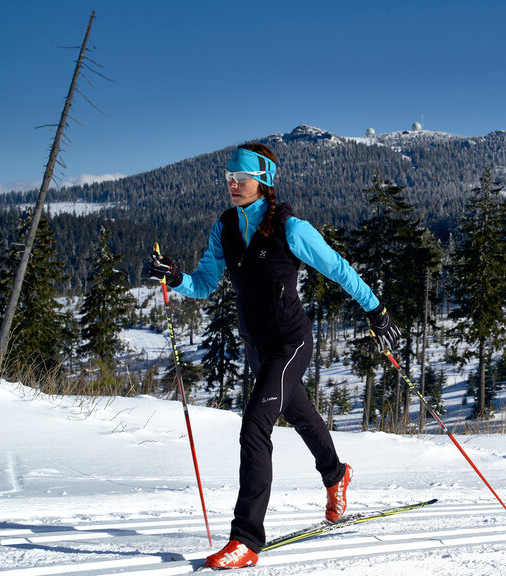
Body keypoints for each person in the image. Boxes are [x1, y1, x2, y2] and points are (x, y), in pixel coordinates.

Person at [149, 143, 400, 570]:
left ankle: (246, 539)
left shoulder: (291, 228)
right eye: (228, 177)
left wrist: (377, 311)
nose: (231, 184)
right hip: (257, 344)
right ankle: (336, 475)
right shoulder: (225, 227)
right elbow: (205, 282)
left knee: (254, 427)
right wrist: (176, 277)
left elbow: (339, 267)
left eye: (240, 178)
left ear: (263, 181)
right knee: (299, 413)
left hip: (290, 342)